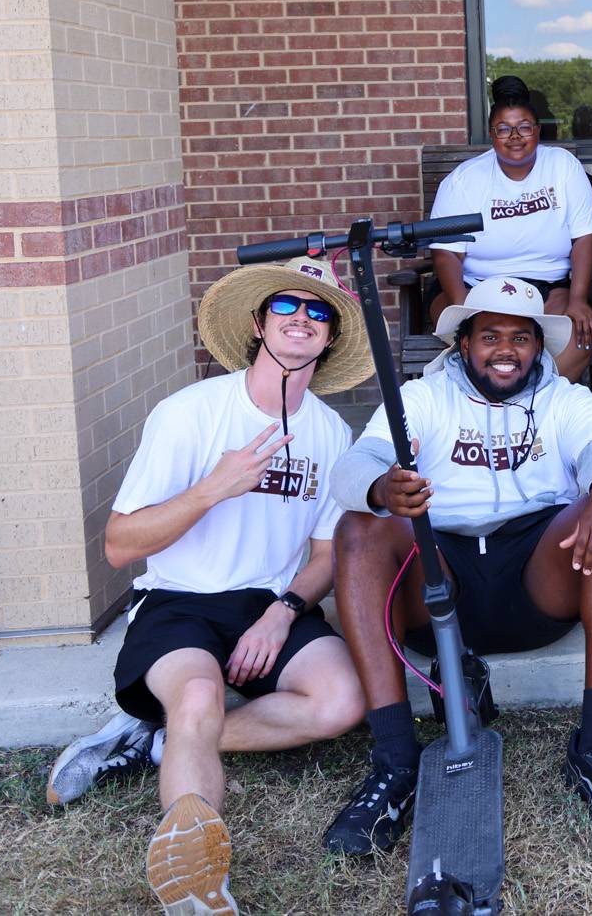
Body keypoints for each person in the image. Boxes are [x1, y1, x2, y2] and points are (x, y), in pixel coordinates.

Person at [45, 258, 371, 916]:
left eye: (319, 311)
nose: (302, 318)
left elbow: (324, 555)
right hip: (180, 600)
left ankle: (159, 741)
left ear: (331, 336)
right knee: (197, 694)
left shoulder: (332, 433)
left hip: (267, 604)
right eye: (286, 306)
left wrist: (283, 612)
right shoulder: (189, 414)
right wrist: (212, 489)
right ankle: (196, 886)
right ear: (258, 324)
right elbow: (120, 544)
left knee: (341, 703)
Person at [320, 278, 592, 851]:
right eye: (490, 336)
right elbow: (356, 464)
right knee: (358, 528)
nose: (506, 350)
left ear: (538, 346)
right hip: (439, 578)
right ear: (464, 344)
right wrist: (379, 487)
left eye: (520, 338)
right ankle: (395, 760)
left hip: (535, 578)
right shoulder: (423, 397)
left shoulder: (565, 398)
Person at [426, 73, 592, 380]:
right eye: (504, 128)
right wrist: (464, 306)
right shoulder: (464, 179)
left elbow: (584, 237)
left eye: (524, 127)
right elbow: (446, 253)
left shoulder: (563, 166)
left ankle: (532, 402)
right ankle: (499, 402)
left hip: (546, 289)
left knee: (582, 334)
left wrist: (578, 300)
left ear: (537, 130)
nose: (515, 136)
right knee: (494, 339)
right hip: (476, 286)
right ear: (491, 134)